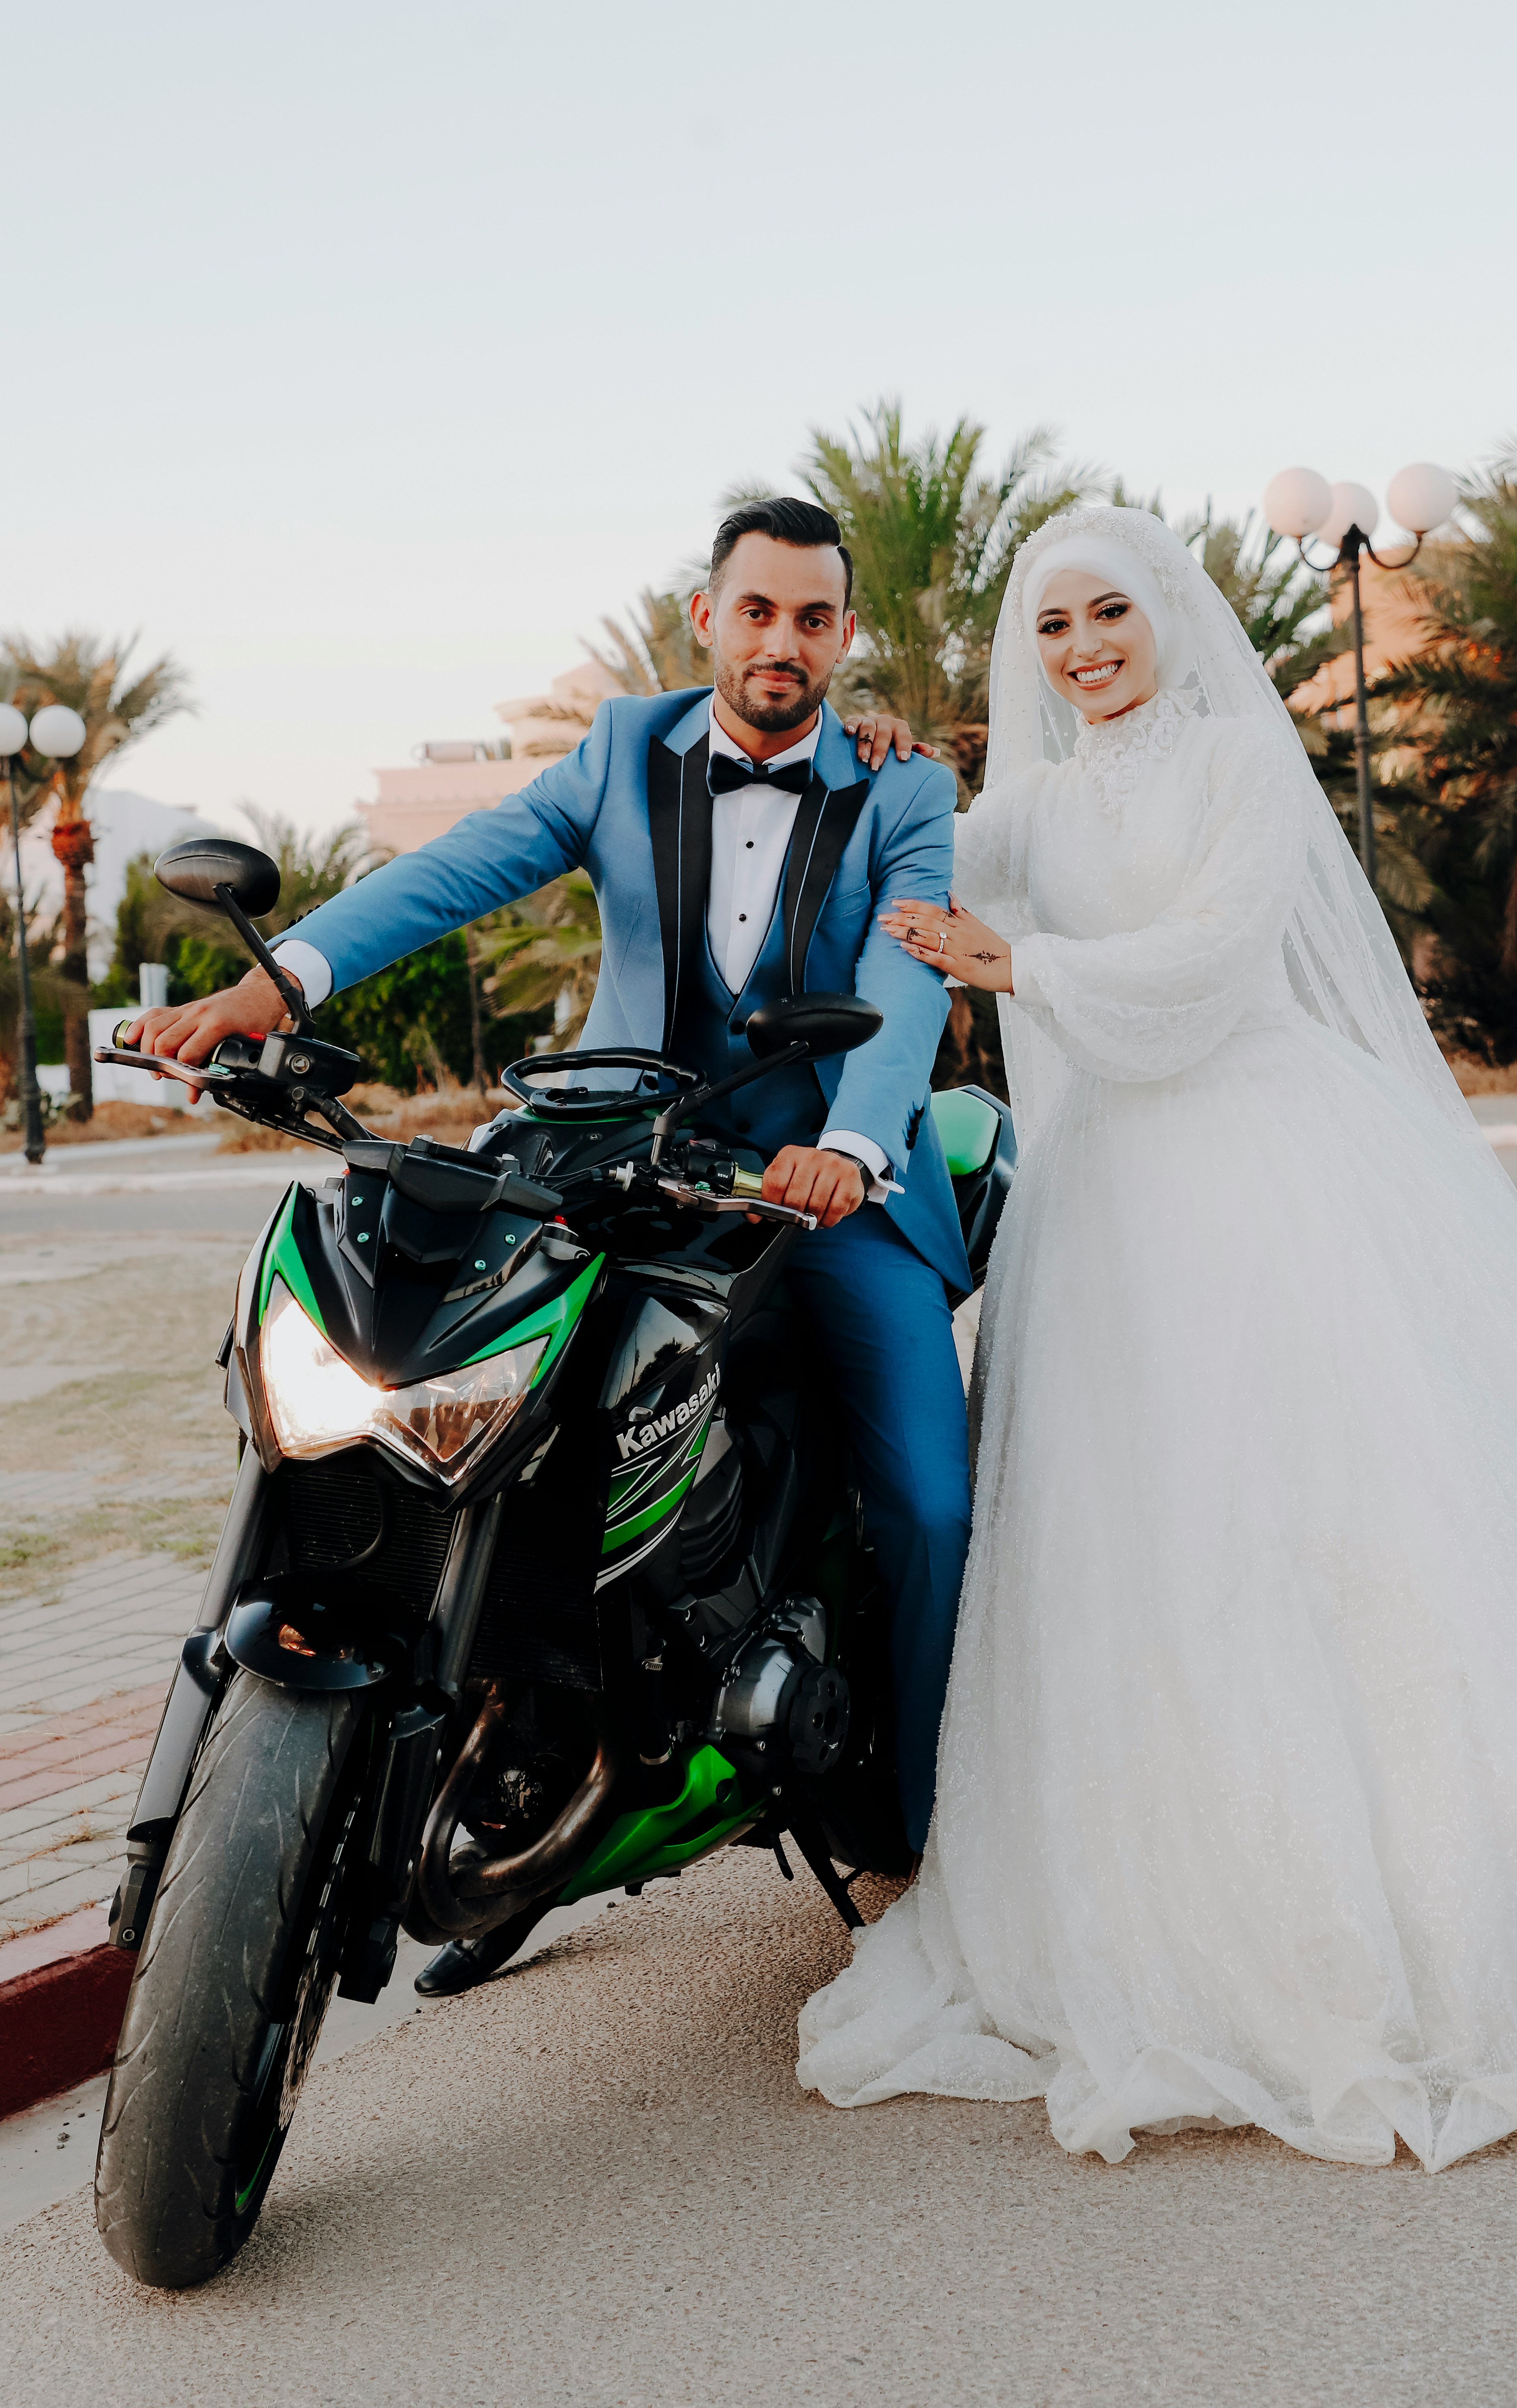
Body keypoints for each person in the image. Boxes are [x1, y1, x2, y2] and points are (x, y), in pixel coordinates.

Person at [796, 502, 1517, 2174]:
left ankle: (1439, 1883)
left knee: (1337, 1513)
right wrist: (889, 773)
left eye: (1106, 616)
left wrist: (1024, 966)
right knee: (1145, 1539)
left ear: (1165, 621)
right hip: (1109, 1210)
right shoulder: (1038, 801)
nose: (1080, 650)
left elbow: (1207, 963)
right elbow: (925, 861)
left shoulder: (1236, 770)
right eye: (1050, 628)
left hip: (1266, 1166)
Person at [135, 497, 973, 1993]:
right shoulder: (620, 747)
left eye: (815, 619)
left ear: (846, 637)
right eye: (758, 610)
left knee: (923, 1498)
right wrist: (286, 986)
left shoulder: (903, 792)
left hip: (820, 1184)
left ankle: (914, 1839)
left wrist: (850, 1143)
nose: (784, 641)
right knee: (499, 1428)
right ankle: (521, 1822)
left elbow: (910, 975)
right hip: (617, 1153)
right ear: (707, 615)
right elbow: (459, 869)